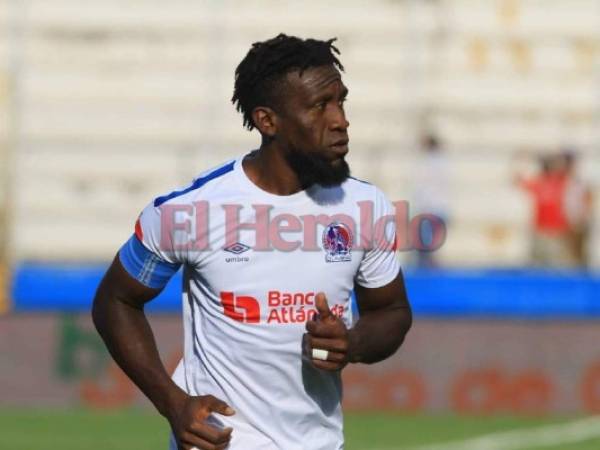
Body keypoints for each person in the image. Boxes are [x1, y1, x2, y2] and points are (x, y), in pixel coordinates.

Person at [92, 34, 412, 450]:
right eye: (319, 106)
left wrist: (353, 343)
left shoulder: (366, 206)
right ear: (267, 121)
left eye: (341, 102)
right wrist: (173, 403)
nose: (340, 120)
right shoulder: (191, 212)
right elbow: (114, 301)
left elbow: (391, 311)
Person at [515, 153, 574, 267]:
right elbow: (518, 180)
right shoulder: (537, 182)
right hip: (540, 229)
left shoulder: (560, 181)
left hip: (557, 230)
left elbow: (569, 169)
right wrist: (521, 160)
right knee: (538, 263)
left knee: (557, 263)